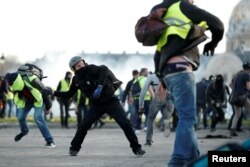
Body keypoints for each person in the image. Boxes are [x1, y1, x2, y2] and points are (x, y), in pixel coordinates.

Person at [149, 0, 224, 166]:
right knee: (188, 118)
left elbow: (158, 52)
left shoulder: (161, 12)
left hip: (167, 72)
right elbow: (218, 24)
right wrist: (213, 43)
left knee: (188, 117)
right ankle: (178, 160)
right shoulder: (182, 6)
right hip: (182, 70)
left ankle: (194, 158)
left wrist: (161, 79)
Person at [53, 56, 145, 156]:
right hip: (96, 105)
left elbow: (104, 69)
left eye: (82, 63)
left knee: (125, 124)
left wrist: (100, 86)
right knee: (83, 126)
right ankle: (74, 148)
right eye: (78, 65)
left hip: (111, 101)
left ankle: (137, 148)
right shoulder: (76, 80)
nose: (81, 66)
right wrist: (53, 93)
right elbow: (69, 94)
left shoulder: (91, 68)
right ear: (73, 69)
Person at [5, 68, 55, 147]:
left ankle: (50, 141)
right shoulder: (14, 86)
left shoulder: (32, 80)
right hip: (27, 102)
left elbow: (45, 92)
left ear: (17, 82)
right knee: (20, 117)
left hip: (37, 100)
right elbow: (17, 95)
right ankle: (24, 131)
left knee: (38, 117)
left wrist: (49, 107)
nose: (11, 86)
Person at [139, 73, 173, 146]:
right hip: (170, 99)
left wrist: (141, 105)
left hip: (158, 98)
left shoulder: (152, 77)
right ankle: (165, 122)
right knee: (166, 116)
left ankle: (148, 140)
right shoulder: (171, 75)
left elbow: (143, 91)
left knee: (150, 119)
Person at [229, 62, 250, 136]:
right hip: (242, 97)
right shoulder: (247, 75)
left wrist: (236, 90)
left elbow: (230, 85)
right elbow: (248, 87)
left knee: (237, 114)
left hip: (235, 96)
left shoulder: (237, 74)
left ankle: (232, 130)